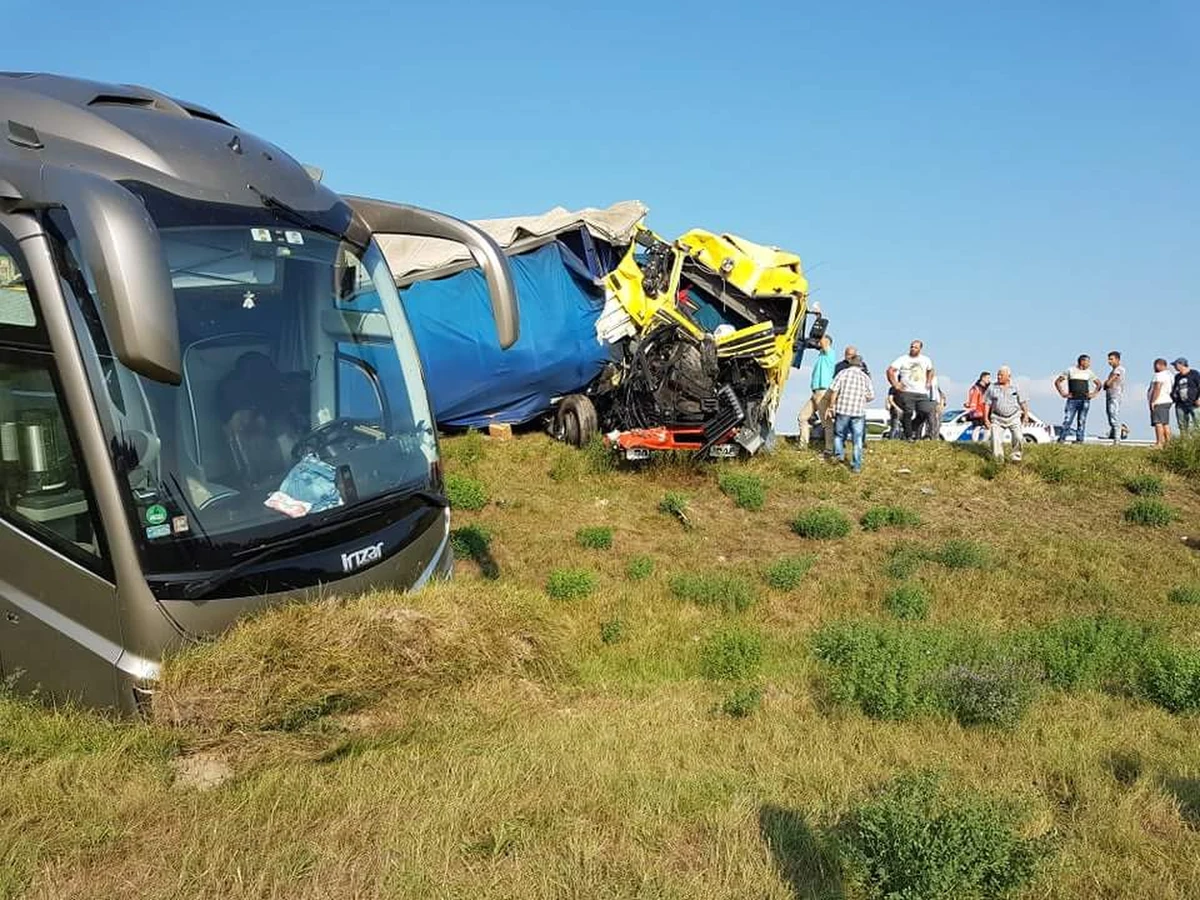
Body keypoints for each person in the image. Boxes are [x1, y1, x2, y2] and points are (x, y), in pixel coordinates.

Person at [827, 354, 874, 473]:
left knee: (839, 434)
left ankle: (839, 455)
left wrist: (831, 406)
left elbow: (834, 391)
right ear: (861, 365)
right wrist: (862, 399)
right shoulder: (865, 377)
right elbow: (871, 396)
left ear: (850, 363)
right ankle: (856, 465)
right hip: (858, 411)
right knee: (857, 439)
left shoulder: (842, 373)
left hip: (843, 409)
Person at [887, 340, 935, 440]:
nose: (913, 349)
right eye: (912, 347)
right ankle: (909, 436)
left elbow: (931, 370)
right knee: (908, 412)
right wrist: (896, 384)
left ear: (920, 349)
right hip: (907, 391)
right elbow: (890, 370)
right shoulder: (903, 359)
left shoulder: (926, 360)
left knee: (926, 411)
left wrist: (929, 381)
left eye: (915, 347)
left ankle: (912, 427)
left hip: (921, 392)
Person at [982, 366, 1030, 462]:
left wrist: (1026, 415)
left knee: (1018, 437)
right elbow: (987, 404)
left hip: (1014, 416)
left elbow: (1023, 402)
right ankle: (998, 460)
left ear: (1009, 376)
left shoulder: (1016, 387)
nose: (999, 377)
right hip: (997, 418)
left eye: (1001, 375)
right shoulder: (992, 388)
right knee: (995, 439)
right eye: (998, 375)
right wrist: (986, 419)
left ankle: (1016, 456)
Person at [798, 334, 835, 452]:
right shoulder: (821, 356)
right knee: (802, 417)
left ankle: (829, 448)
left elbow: (823, 342)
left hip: (822, 391)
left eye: (821, 341)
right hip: (815, 392)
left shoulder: (830, 353)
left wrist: (819, 328)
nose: (818, 342)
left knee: (826, 422)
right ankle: (803, 446)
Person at [1054, 354, 1102, 444]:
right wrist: (1063, 393)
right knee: (1068, 420)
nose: (1089, 364)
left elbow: (1099, 384)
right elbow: (1057, 382)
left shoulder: (1089, 372)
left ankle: (1079, 439)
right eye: (1088, 362)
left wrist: (1093, 394)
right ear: (1082, 361)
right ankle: (1062, 439)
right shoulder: (1070, 370)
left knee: (1082, 420)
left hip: (1084, 400)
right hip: (1072, 400)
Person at [1149, 357, 1174, 448]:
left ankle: (1160, 442)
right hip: (1167, 400)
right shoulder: (1169, 375)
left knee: (1158, 422)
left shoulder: (1159, 375)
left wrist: (1153, 401)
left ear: (1158, 365)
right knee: (1165, 423)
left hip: (1159, 401)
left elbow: (1157, 387)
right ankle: (1169, 443)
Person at [1170, 357, 1200, 433]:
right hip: (1180, 404)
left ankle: (1196, 442)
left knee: (1197, 424)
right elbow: (1175, 389)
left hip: (1194, 403)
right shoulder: (1177, 377)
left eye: (1175, 365)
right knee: (1182, 425)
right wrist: (1173, 398)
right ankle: (1184, 442)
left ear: (1181, 364)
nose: (1174, 367)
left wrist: (1198, 398)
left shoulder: (1194, 373)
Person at [1102, 351, 1125, 445]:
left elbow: (1109, 382)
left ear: (1117, 359)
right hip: (1110, 395)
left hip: (1115, 395)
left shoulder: (1119, 369)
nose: (1109, 361)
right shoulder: (1113, 370)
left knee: (1113, 415)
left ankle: (1117, 439)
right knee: (1110, 415)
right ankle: (1115, 434)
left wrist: (1107, 382)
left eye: (1111, 359)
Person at [965, 372, 992, 441]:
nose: (989, 380)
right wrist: (972, 409)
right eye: (988, 378)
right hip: (978, 411)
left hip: (986, 410)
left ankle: (984, 442)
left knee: (987, 427)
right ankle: (975, 442)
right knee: (977, 427)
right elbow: (973, 399)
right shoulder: (976, 388)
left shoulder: (989, 388)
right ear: (983, 378)